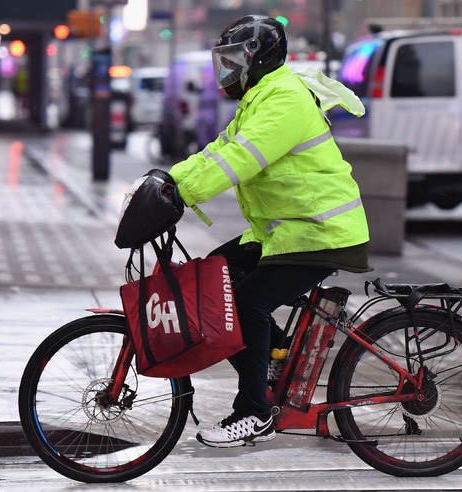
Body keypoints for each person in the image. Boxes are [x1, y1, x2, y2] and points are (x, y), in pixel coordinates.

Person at [167, 14, 371, 448]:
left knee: (245, 303)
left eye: (234, 60)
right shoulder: (261, 97)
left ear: (260, 58)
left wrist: (184, 194)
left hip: (321, 233)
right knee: (214, 274)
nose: (227, 71)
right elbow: (218, 149)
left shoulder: (284, 100)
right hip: (287, 232)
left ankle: (255, 413)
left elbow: (240, 159)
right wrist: (168, 181)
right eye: (223, 62)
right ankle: (277, 359)